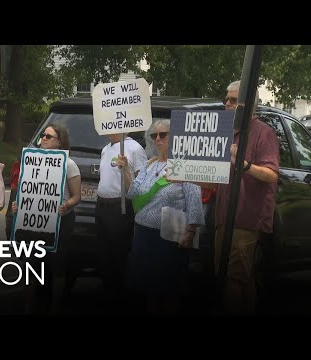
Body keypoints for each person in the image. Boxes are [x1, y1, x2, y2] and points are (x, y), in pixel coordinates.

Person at [117, 120, 205, 314]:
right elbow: (135, 192)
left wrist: (191, 232)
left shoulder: (184, 165)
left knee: (168, 290)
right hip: (144, 236)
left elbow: (194, 199)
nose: (157, 139)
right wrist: (125, 170)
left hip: (168, 239)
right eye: (154, 135)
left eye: (163, 135)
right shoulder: (150, 164)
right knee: (149, 290)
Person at [213, 80, 279, 314]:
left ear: (248, 104)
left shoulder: (264, 133)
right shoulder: (225, 132)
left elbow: (271, 174)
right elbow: (214, 176)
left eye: (233, 100)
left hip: (245, 220)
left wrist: (246, 165)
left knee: (232, 278)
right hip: (223, 217)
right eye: (226, 100)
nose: (227, 104)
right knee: (241, 277)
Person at [12, 124, 81, 314]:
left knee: (57, 267)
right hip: (33, 223)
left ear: (59, 141)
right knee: (30, 266)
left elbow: (77, 196)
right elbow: (26, 191)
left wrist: (67, 205)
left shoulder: (69, 164)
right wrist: (19, 205)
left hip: (61, 222)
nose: (43, 138)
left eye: (49, 136)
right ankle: (28, 307)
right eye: (43, 135)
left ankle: (54, 307)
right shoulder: (31, 160)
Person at [95, 132, 147, 313]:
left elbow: (142, 183)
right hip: (101, 207)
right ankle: (108, 298)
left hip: (121, 208)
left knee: (120, 256)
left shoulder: (134, 148)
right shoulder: (105, 149)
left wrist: (126, 170)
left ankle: (123, 302)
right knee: (104, 256)